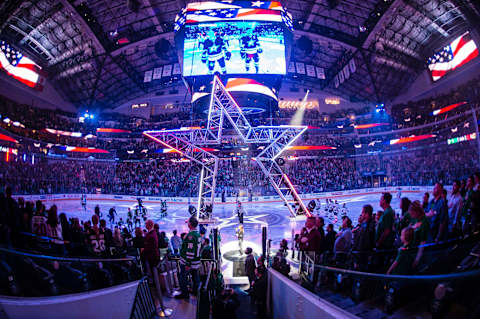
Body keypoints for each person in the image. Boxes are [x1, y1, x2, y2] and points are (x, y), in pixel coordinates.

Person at [176, 216, 201, 299]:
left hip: (189, 262)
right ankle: (195, 292)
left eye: (188, 222)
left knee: (182, 277)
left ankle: (185, 294)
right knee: (195, 278)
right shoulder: (198, 234)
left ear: (190, 224)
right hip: (196, 262)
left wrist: (187, 263)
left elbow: (190, 250)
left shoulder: (191, 235)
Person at [352, 205, 375, 270]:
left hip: (361, 256)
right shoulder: (365, 224)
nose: (361, 214)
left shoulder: (368, 226)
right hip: (360, 254)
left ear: (366, 214)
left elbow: (363, 241)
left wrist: (357, 255)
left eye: (362, 212)